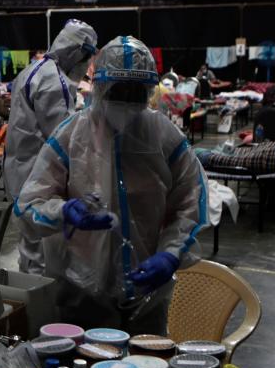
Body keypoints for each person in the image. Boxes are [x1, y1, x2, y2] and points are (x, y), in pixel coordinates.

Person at [15, 36, 208, 334]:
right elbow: (30, 203)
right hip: (79, 290)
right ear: (102, 89)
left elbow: (191, 202)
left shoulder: (164, 137)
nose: (126, 102)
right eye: (119, 91)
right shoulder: (72, 136)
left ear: (147, 92)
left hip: (147, 293)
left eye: (134, 93)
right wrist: (64, 211)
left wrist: (171, 253)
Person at [4, 19, 98, 274]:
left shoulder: (34, 70)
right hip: (37, 173)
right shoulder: (54, 80)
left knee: (30, 243)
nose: (85, 64)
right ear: (76, 51)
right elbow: (63, 137)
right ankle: (39, 307)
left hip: (20, 168)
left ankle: (31, 297)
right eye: (86, 56)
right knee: (41, 253)